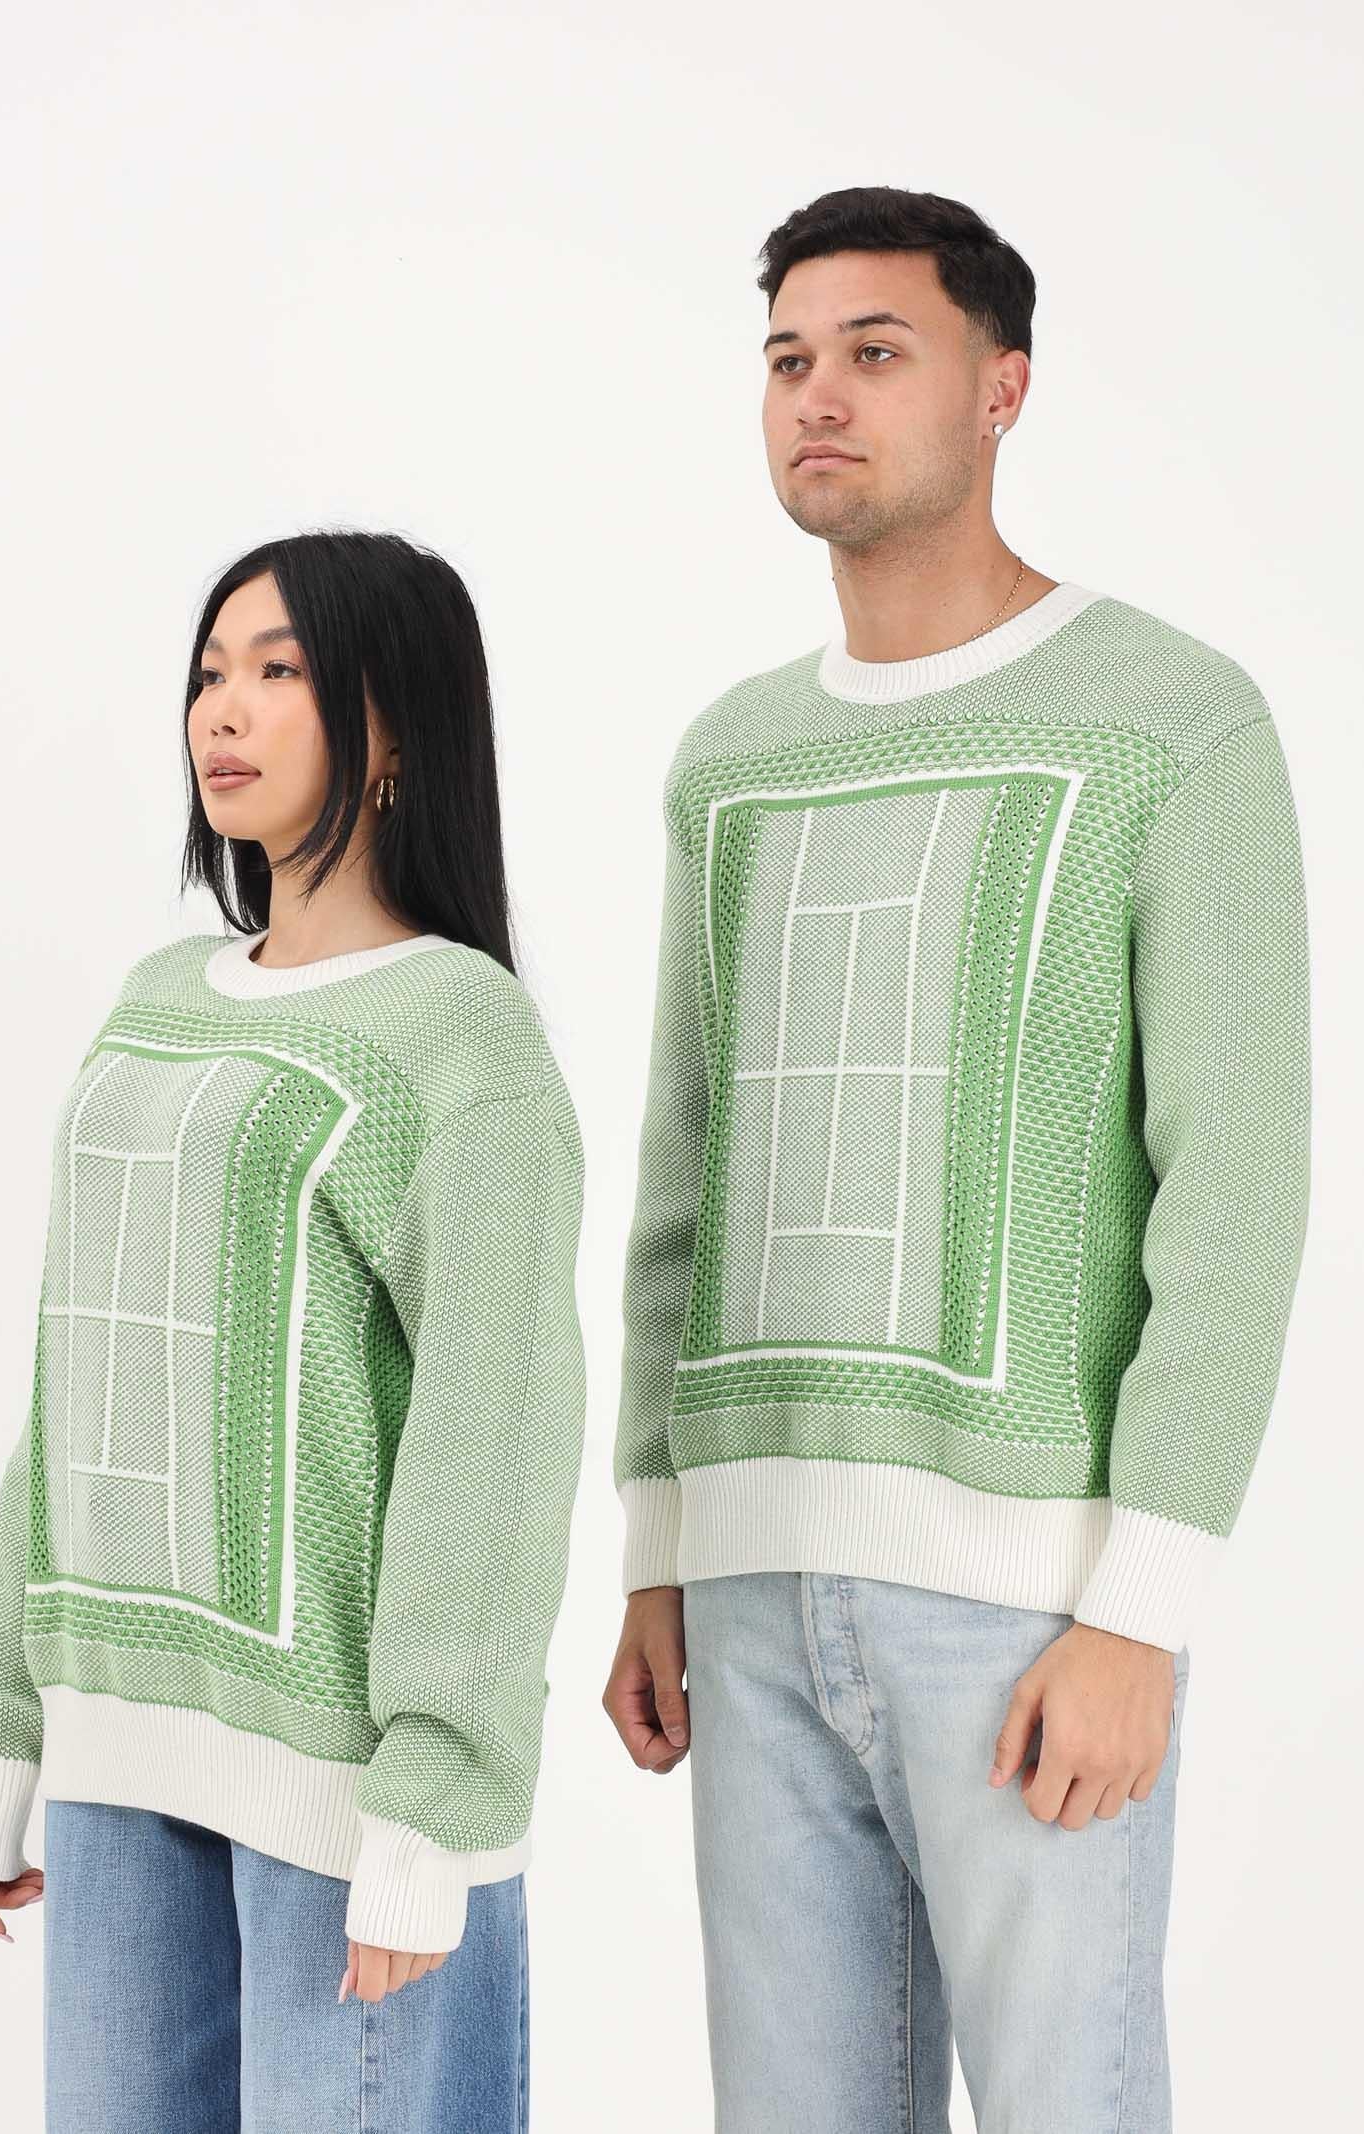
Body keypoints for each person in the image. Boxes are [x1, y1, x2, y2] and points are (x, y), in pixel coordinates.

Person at [602, 186, 1310, 2133]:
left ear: (1003, 390)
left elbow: (1234, 1194)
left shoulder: (1169, 723)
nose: (816, 397)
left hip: (1027, 1605)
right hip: (748, 1597)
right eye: (786, 360)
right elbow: (683, 1177)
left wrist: (1139, 1607)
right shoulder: (733, 757)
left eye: (873, 352)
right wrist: (659, 1551)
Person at [0, 528, 586, 2133]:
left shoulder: (460, 1035)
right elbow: (77, 1375)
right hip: (114, 1762)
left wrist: (433, 1804)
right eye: (211, 671)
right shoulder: (156, 998)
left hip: (343, 1799)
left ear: (394, 728)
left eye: (280, 671)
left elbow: (493, 1437)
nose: (221, 710)